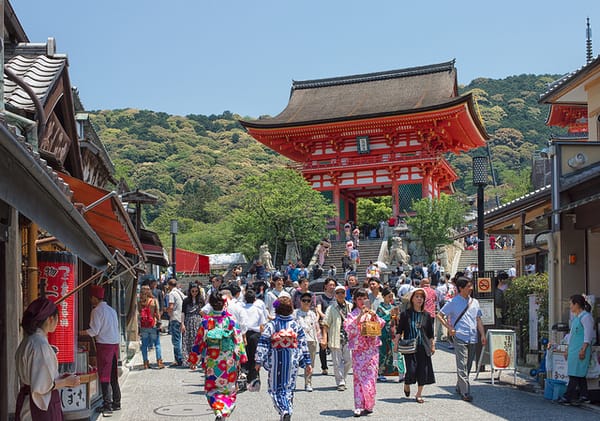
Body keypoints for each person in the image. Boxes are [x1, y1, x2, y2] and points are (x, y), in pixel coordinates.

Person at [15, 297, 81, 421]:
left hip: (28, 401)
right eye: (57, 318)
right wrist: (67, 382)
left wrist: (59, 377)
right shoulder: (40, 345)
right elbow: (42, 386)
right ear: (51, 319)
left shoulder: (27, 342)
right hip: (38, 407)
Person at [189, 291, 246, 421]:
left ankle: (218, 411)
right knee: (229, 389)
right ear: (224, 304)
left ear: (211, 305)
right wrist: (241, 358)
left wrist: (194, 359)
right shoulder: (231, 320)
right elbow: (238, 340)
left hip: (212, 360)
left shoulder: (206, 322)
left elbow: (199, 342)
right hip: (229, 361)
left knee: (212, 388)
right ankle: (224, 410)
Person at [256, 292, 312, 421]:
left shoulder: (272, 325)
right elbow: (303, 344)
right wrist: (307, 362)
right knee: (289, 387)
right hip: (292, 360)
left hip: (275, 360)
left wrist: (259, 360)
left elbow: (263, 342)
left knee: (275, 389)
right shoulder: (295, 325)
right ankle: (287, 411)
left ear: (276, 309)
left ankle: (284, 410)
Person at [437, 276, 487, 402]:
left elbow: (478, 319)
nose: (471, 288)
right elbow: (440, 315)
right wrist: (449, 327)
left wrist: (482, 334)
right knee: (462, 365)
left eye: (471, 286)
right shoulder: (453, 302)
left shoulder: (475, 302)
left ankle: (460, 386)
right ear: (461, 288)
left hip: (473, 336)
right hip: (459, 336)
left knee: (468, 364)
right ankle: (465, 392)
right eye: (468, 286)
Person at [79, 285, 121, 414]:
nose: (90, 300)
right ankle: (117, 402)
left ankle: (107, 405)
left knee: (104, 375)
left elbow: (94, 331)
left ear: (94, 298)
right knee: (113, 375)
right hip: (115, 345)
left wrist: (79, 333)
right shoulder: (111, 310)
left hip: (104, 346)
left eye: (91, 298)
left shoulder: (96, 311)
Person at [343, 288, 385, 417]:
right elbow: (348, 328)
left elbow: (381, 324)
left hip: (371, 350)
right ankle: (359, 405)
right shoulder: (352, 314)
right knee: (359, 378)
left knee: (371, 377)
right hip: (359, 351)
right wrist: (360, 316)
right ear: (355, 300)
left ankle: (369, 404)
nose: (361, 301)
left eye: (363, 299)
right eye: (359, 299)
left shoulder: (371, 313)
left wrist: (373, 316)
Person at [395, 288, 436, 404]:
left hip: (423, 346)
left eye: (421, 297)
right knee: (411, 369)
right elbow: (399, 330)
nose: (419, 299)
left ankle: (419, 394)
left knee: (423, 370)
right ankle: (407, 383)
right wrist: (396, 343)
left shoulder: (427, 315)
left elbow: (430, 332)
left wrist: (433, 345)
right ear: (412, 299)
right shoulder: (405, 314)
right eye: (417, 297)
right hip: (409, 346)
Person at [558, 294, 594, 406]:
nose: (570, 306)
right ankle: (584, 396)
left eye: (571, 304)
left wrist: (583, 349)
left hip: (581, 350)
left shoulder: (586, 317)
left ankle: (567, 397)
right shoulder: (577, 318)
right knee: (579, 373)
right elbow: (572, 336)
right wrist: (567, 349)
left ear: (577, 304)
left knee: (574, 374)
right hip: (574, 350)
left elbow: (588, 335)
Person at [321, 285, 352, 391]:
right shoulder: (331, 308)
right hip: (336, 336)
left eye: (342, 292)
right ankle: (340, 382)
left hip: (349, 337)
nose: (340, 295)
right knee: (337, 361)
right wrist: (324, 338)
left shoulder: (350, 306)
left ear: (345, 294)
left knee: (349, 360)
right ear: (335, 294)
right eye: (337, 293)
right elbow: (325, 324)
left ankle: (343, 377)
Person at [241, 289, 267, 391]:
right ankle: (253, 378)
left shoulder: (242, 309)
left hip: (245, 333)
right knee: (255, 356)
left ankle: (244, 374)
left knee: (245, 355)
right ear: (255, 299)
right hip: (255, 334)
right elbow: (262, 325)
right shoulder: (258, 310)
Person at [294, 292, 321, 392]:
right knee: (294, 362)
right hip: (298, 341)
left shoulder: (312, 314)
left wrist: (320, 339)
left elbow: (317, 328)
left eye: (308, 301)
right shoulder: (295, 313)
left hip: (311, 340)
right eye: (304, 300)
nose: (306, 302)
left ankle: (308, 383)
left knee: (310, 364)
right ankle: (292, 382)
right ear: (300, 301)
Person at [376, 288, 399, 381]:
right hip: (383, 332)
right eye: (389, 296)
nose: (390, 298)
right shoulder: (380, 308)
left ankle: (392, 372)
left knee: (392, 353)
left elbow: (394, 319)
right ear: (384, 296)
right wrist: (389, 315)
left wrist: (396, 316)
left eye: (392, 297)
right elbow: (380, 320)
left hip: (391, 332)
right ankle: (380, 373)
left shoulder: (392, 307)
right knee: (382, 353)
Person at [139, 284, 164, 369]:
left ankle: (145, 363)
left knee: (144, 345)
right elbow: (157, 313)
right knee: (157, 344)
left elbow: (139, 314)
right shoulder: (154, 300)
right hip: (152, 324)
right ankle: (159, 362)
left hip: (143, 326)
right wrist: (159, 322)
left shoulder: (140, 302)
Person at [182, 283, 205, 369]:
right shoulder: (186, 300)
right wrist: (182, 324)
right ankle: (188, 360)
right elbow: (183, 313)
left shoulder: (201, 300)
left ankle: (197, 360)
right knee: (188, 341)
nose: (194, 293)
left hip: (198, 321)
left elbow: (204, 312)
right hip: (188, 321)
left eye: (196, 291)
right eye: (192, 291)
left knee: (197, 341)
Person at [316, 278, 336, 375]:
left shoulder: (337, 297)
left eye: (333, 285)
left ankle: (337, 365)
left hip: (335, 323)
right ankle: (324, 367)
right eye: (330, 285)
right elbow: (318, 309)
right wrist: (324, 315)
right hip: (323, 323)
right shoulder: (320, 297)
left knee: (335, 345)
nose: (332, 287)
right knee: (322, 345)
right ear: (325, 286)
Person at [166, 278, 186, 367]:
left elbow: (171, 306)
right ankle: (180, 358)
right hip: (181, 317)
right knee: (180, 339)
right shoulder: (179, 292)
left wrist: (169, 314)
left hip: (175, 318)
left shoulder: (171, 294)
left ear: (169, 285)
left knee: (176, 340)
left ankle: (179, 359)